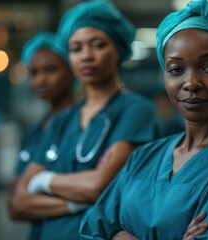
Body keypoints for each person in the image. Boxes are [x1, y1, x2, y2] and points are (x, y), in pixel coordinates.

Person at [79, 0, 208, 239]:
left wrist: (121, 236)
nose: (191, 83)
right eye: (176, 70)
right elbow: (91, 231)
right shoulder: (144, 157)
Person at [10, 0, 158, 239]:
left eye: (98, 45)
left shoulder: (135, 110)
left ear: (118, 49)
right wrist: (74, 203)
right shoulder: (61, 120)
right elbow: (19, 200)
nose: (86, 56)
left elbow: (98, 186)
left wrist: (43, 179)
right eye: (76, 49)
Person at [7, 32, 75, 238]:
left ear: (72, 70)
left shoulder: (84, 124)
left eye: (50, 70)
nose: (40, 80)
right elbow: (15, 206)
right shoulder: (36, 130)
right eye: (33, 73)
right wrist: (75, 203)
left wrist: (35, 194)